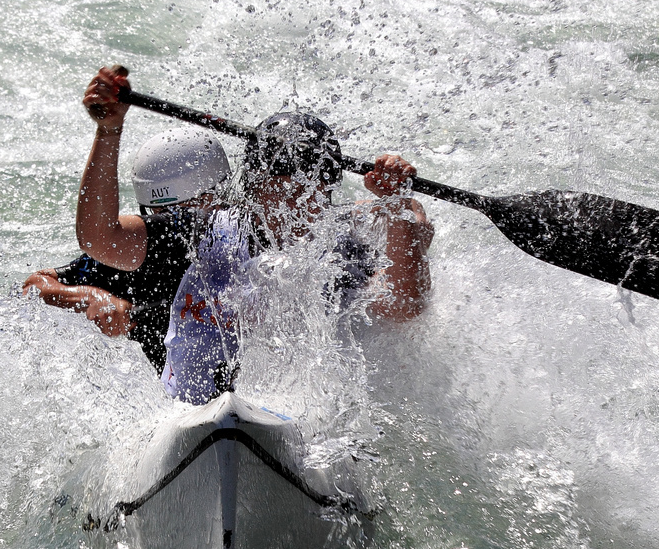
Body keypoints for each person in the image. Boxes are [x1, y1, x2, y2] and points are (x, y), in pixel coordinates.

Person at [73, 65, 434, 404]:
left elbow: (404, 306)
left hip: (293, 416)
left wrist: (398, 202)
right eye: (279, 191)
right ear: (253, 188)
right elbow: (99, 239)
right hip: (186, 416)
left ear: (325, 195)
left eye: (308, 192)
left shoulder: (340, 250)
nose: (294, 207)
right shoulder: (198, 232)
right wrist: (109, 131)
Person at [22, 97, 231, 370]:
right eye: (172, 215)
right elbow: (34, 286)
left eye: (193, 211)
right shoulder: (153, 248)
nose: (186, 224)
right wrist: (89, 299)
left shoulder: (250, 232)